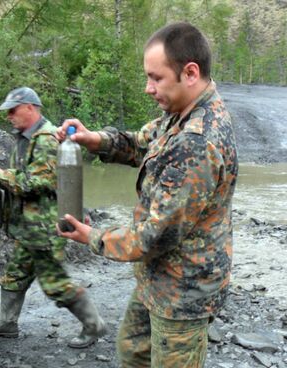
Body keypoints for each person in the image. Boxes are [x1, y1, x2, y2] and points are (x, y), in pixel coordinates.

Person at [57, 22, 238, 367]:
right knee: (133, 350)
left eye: (156, 78)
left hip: (184, 290)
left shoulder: (198, 143)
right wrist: (93, 139)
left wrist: (91, 236)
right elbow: (142, 143)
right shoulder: (180, 116)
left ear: (190, 72)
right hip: (158, 278)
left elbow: (152, 238)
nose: (147, 88)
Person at [0, 86, 107, 349]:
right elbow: (20, 177)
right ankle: (7, 323)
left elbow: (40, 182)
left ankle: (94, 326)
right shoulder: (25, 138)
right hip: (28, 228)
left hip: (45, 228)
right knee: (15, 273)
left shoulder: (47, 138)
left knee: (54, 282)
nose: (9, 116)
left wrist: (2, 176)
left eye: (13, 110)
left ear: (30, 107)